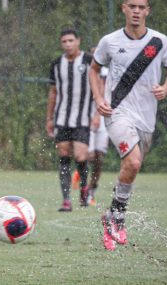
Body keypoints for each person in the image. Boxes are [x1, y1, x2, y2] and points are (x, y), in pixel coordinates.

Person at [89, 0, 167, 251]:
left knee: (132, 165)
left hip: (146, 119)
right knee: (134, 161)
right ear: (123, 9)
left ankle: (110, 215)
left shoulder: (159, 41)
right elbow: (94, 69)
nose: (137, 11)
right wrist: (98, 99)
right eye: (132, 6)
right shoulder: (110, 41)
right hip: (116, 112)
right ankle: (118, 217)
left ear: (148, 10)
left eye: (142, 7)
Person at [46, 28, 94, 212]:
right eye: (64, 41)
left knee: (81, 156)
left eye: (70, 40)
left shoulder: (89, 61)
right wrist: (49, 118)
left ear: (78, 41)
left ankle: (83, 189)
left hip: (83, 118)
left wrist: (97, 114)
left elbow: (100, 86)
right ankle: (66, 200)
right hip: (62, 118)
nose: (67, 44)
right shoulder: (57, 64)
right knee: (64, 156)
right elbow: (53, 92)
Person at [88, 62, 110, 206]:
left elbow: (103, 91)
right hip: (85, 117)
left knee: (99, 158)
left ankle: (91, 191)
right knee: (87, 156)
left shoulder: (108, 71)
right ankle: (84, 185)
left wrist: (98, 115)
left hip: (104, 118)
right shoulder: (87, 71)